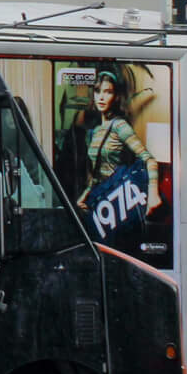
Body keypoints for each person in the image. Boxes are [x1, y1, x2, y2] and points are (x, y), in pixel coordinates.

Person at [76, 69, 162, 249]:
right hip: (100, 202)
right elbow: (95, 174)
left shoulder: (119, 125)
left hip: (117, 202)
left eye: (108, 92)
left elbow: (149, 159)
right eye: (98, 91)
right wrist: (84, 197)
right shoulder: (94, 131)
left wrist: (153, 195)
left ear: (115, 97)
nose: (101, 97)